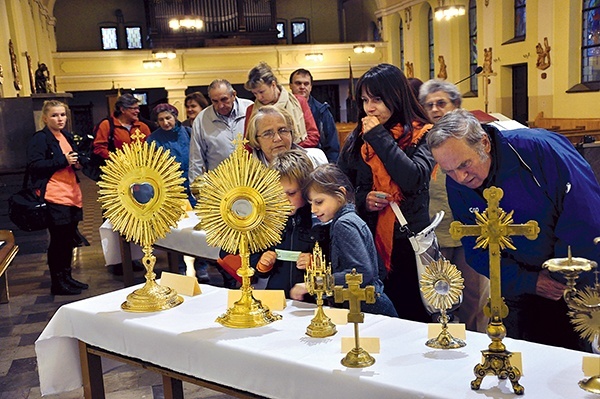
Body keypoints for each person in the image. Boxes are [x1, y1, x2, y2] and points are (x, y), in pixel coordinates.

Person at [427, 108, 600, 350]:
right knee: (520, 363)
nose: (460, 177)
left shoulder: (540, 151)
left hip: (570, 283)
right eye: (449, 171)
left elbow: (585, 217)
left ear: (484, 143)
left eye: (465, 164)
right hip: (517, 289)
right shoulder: (457, 181)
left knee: (569, 366)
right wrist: (528, 282)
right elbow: (475, 245)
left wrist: (558, 278)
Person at [338, 63, 434, 323]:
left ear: (396, 96)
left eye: (378, 99)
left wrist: (379, 137)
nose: (370, 108)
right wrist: (363, 199)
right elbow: (340, 185)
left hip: (408, 242)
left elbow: (412, 178)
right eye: (365, 100)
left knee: (414, 314)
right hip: (369, 240)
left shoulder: (422, 133)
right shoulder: (358, 138)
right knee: (380, 315)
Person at [419, 79, 490, 332]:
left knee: (473, 292)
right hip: (436, 229)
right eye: (429, 105)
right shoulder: (423, 141)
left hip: (469, 227)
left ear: (456, 104)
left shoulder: (470, 137)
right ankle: (443, 335)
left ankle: (474, 337)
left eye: (441, 103)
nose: (436, 109)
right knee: (439, 291)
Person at [290, 164, 398, 318]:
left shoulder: (344, 224)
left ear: (340, 193)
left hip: (368, 310)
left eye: (319, 202)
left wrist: (314, 284)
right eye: (311, 203)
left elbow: (361, 272)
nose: (313, 210)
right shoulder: (346, 220)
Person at [27, 100, 87, 295]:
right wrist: (63, 160)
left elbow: (72, 160)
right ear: (45, 118)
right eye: (54, 115)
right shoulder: (40, 138)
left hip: (71, 194)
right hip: (54, 195)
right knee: (59, 240)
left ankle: (67, 277)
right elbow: (35, 165)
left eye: (62, 115)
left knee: (69, 239)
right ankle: (57, 282)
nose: (59, 119)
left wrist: (77, 163)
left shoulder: (67, 136)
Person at [148, 103, 210, 283]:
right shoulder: (153, 140)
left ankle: (202, 266)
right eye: (161, 120)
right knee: (176, 229)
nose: (165, 122)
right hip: (171, 190)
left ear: (175, 117)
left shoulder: (189, 133)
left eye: (168, 118)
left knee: (199, 227)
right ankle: (179, 268)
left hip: (194, 185)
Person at [252, 149, 327, 298]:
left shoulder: (320, 221)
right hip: (275, 298)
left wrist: (316, 265)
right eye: (278, 193)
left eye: (291, 193)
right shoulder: (269, 220)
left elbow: (335, 270)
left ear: (307, 190)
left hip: (310, 302)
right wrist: (263, 265)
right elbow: (256, 266)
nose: (284, 200)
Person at [188, 79, 253, 184]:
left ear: (234, 95)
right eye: (215, 101)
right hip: (219, 185)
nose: (221, 105)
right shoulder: (201, 120)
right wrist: (196, 190)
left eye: (224, 99)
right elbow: (196, 159)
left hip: (251, 180)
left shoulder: (250, 109)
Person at [244, 62, 320, 148]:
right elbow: (247, 142)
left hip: (297, 155)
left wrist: (291, 150)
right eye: (255, 93)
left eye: (262, 92)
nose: (259, 97)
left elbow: (313, 135)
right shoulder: (251, 110)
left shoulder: (299, 101)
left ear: (273, 84)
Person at [246, 105, 327, 167]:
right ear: (256, 140)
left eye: (283, 130)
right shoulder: (246, 175)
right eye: (268, 133)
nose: (277, 138)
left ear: (291, 133)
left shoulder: (315, 159)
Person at [289, 68, 340, 162]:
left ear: (311, 87)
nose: (302, 87)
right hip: (292, 161)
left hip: (317, 162)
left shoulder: (322, 111)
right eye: (298, 83)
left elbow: (332, 146)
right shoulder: (283, 109)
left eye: (306, 84)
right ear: (290, 86)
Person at [92, 93, 151, 160]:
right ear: (122, 110)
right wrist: (117, 159)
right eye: (134, 108)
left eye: (138, 108)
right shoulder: (106, 125)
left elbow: (151, 147)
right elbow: (99, 147)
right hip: (115, 167)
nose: (137, 111)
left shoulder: (143, 127)